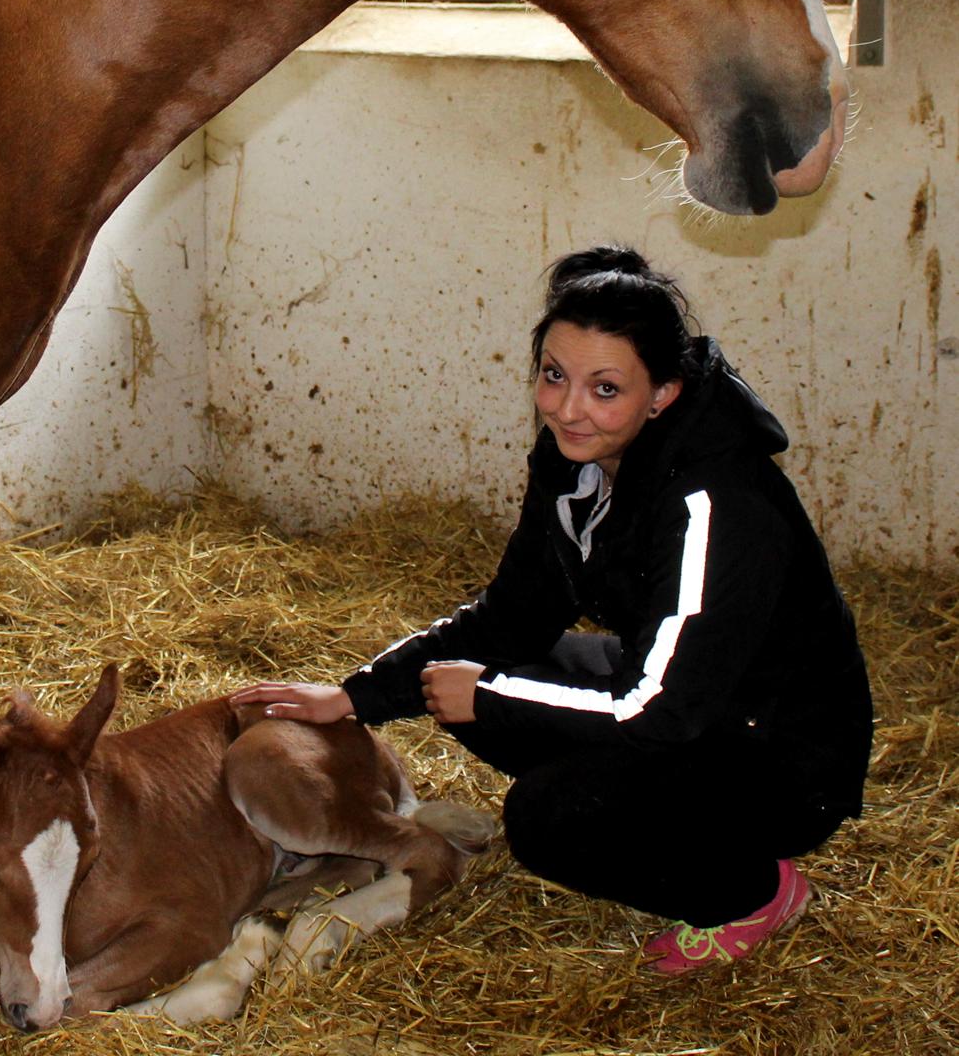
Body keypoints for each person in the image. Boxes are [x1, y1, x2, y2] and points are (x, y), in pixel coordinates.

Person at [230, 246, 872, 974]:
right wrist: (353, 695)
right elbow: (510, 616)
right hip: (683, 699)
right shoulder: (577, 458)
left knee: (548, 820)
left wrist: (496, 700)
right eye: (554, 376)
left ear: (663, 391)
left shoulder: (714, 502)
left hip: (776, 752)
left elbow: (666, 713)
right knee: (464, 674)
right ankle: (641, 816)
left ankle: (753, 891)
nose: (569, 408)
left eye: (606, 389)